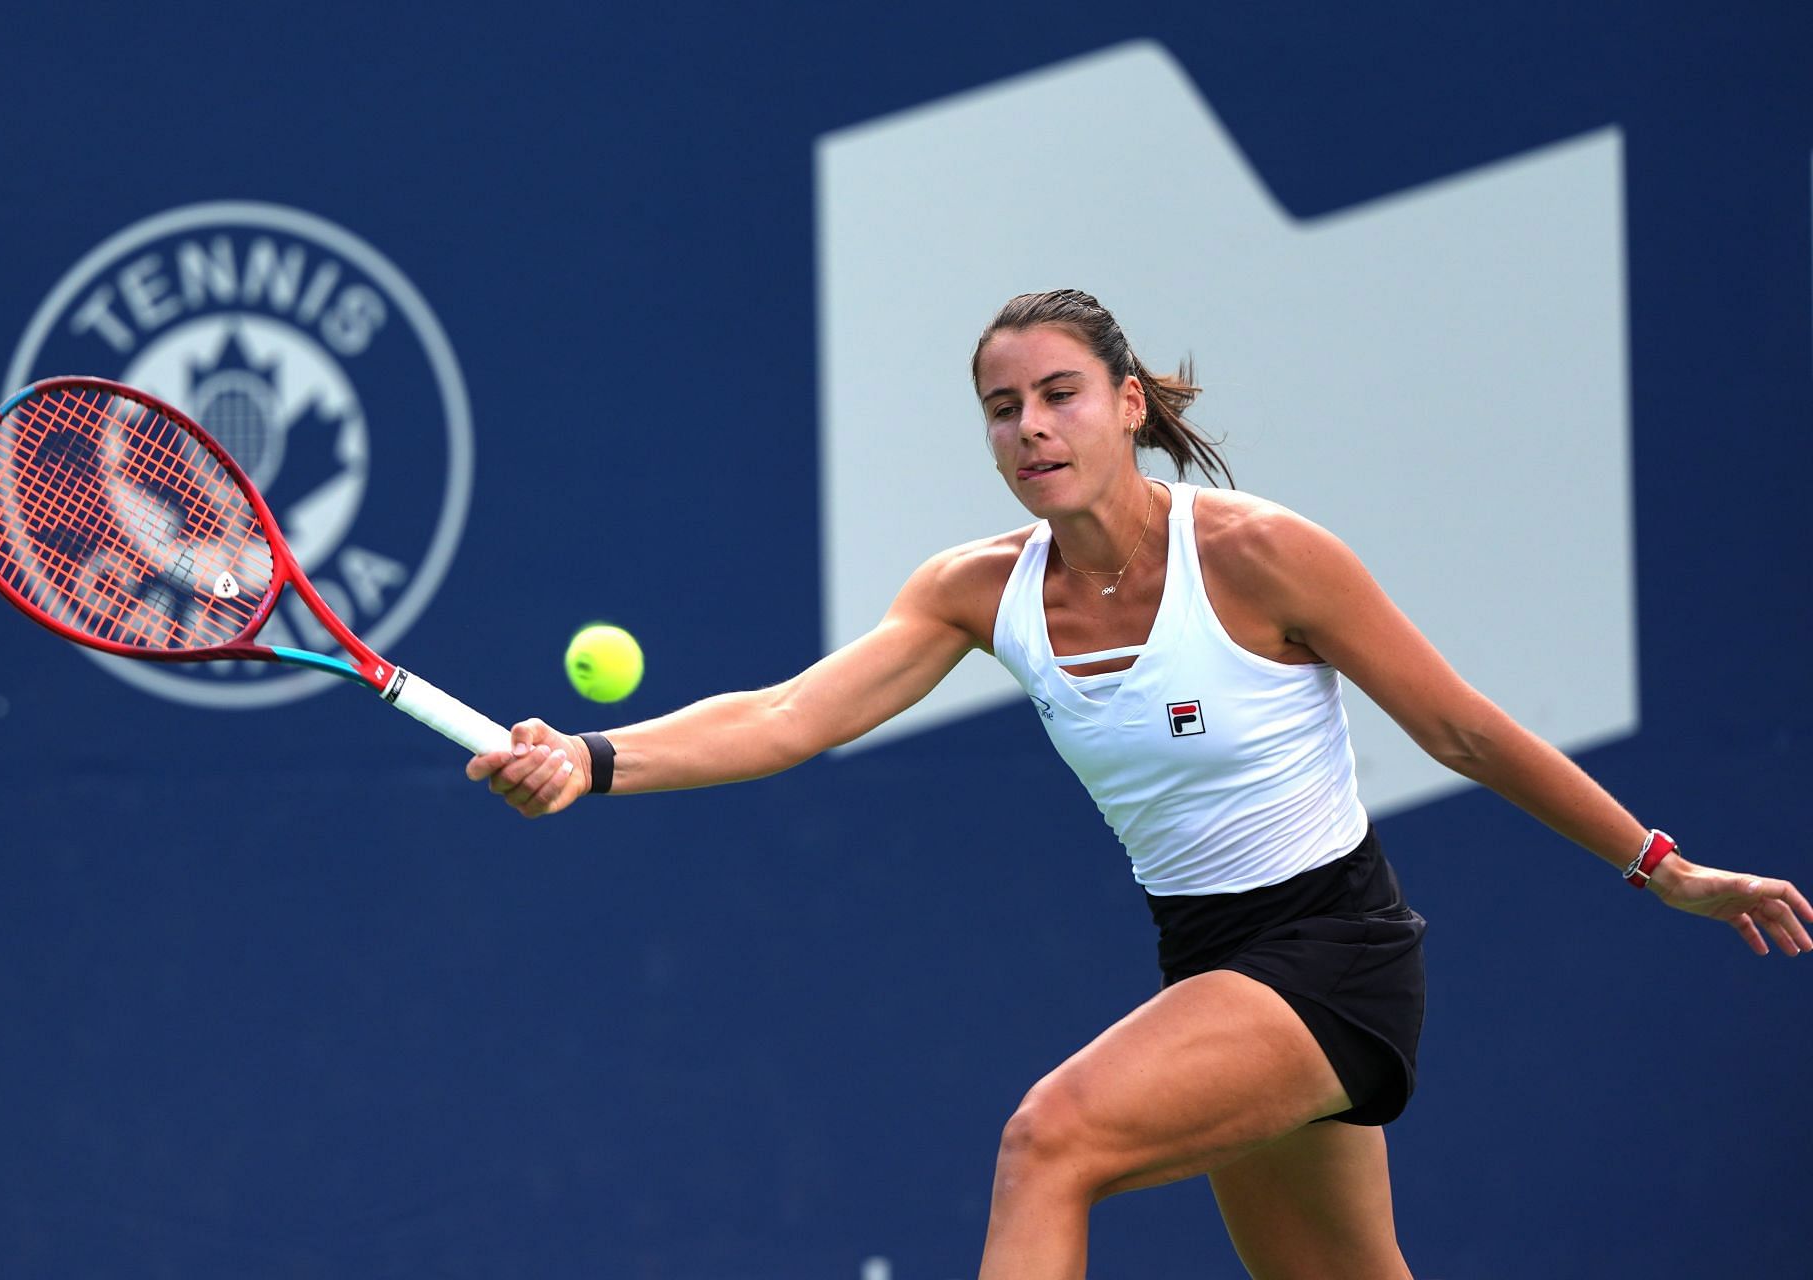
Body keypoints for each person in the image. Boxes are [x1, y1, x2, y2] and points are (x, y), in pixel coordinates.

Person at [465, 289, 1812, 1280]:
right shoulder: (977, 591)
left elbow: (1458, 729)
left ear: (1126, 404)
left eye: (1058, 393)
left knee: (1049, 1144)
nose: (1031, 426)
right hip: (1212, 964)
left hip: (1331, 951)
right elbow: (788, 716)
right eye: (1004, 407)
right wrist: (592, 760)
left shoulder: (1262, 556)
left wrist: (1665, 868)